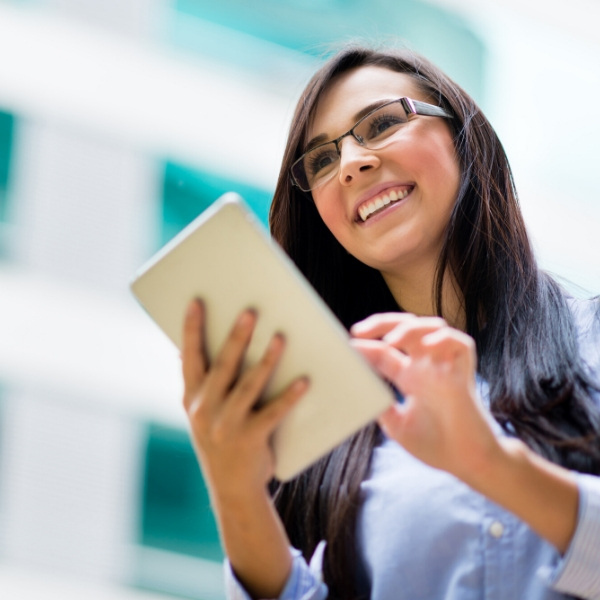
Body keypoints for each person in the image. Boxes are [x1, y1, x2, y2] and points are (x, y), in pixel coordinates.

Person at [180, 46, 600, 600]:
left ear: (462, 136)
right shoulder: (324, 424)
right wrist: (234, 491)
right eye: (322, 161)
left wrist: (491, 463)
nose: (351, 162)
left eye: (380, 123)